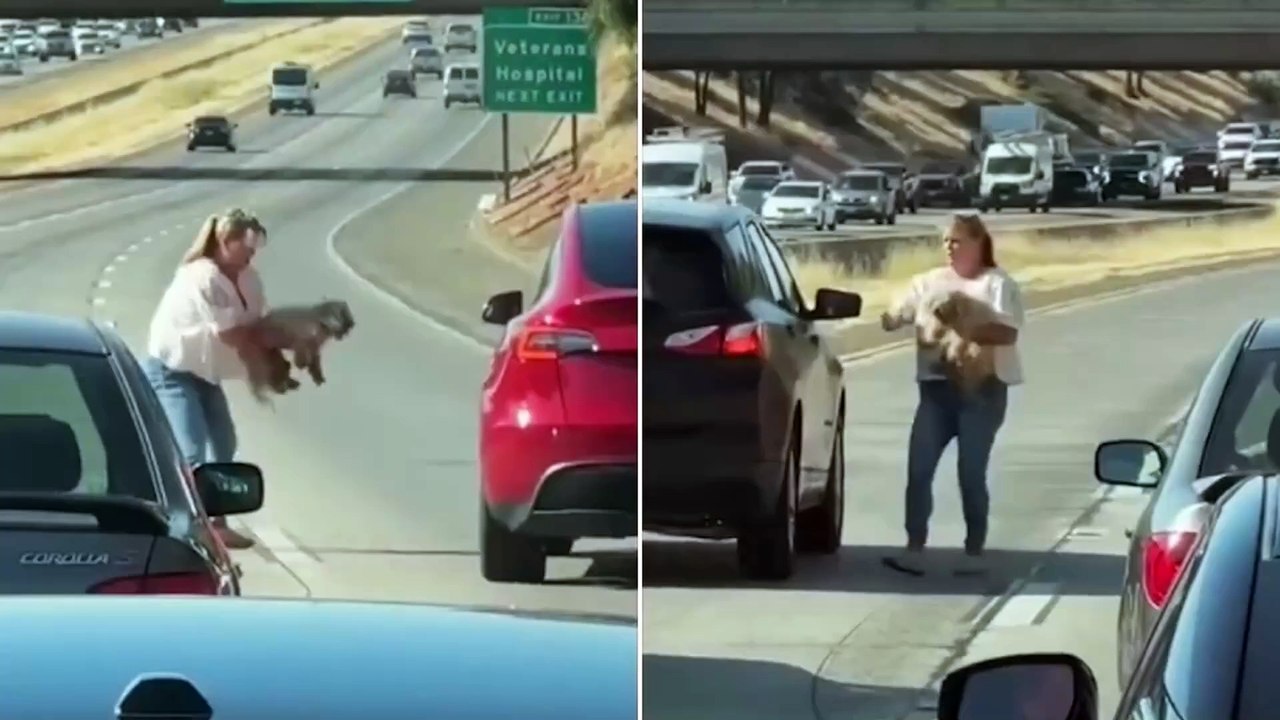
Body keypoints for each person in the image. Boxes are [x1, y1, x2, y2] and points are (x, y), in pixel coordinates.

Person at [878, 213, 1025, 576]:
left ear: (978, 243)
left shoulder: (997, 284)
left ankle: (973, 551)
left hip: (982, 390)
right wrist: (895, 315)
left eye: (957, 240)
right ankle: (914, 548)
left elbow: (1008, 334)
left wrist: (961, 321)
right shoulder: (929, 282)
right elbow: (896, 312)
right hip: (936, 390)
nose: (950, 247)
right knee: (919, 469)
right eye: (946, 241)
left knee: (970, 472)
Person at [141, 209, 272, 550]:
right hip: (172, 369)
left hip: (205, 372)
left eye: (256, 243)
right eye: (246, 244)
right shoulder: (201, 276)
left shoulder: (249, 278)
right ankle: (190, 525)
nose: (252, 251)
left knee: (224, 444)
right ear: (224, 242)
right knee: (192, 449)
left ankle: (217, 522)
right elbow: (231, 334)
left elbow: (258, 324)